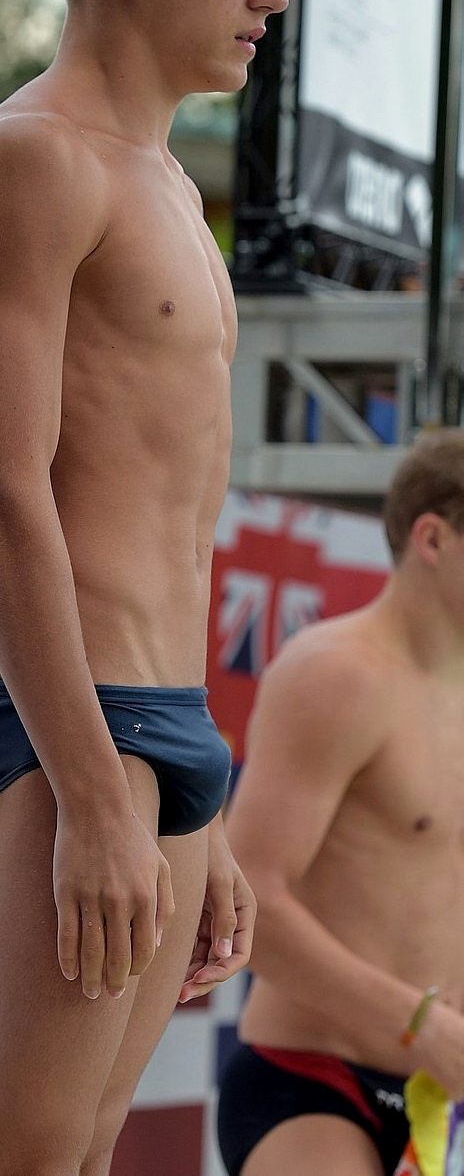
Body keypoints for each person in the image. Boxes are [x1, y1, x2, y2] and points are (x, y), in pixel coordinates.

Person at [0, 0, 303, 1176]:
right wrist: (94, 793)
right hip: (72, 730)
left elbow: (167, 516)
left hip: (167, 729)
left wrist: (206, 814)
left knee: (82, 1159)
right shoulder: (33, 156)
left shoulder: (169, 192)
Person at [218, 428, 464, 1176]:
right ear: (433, 538)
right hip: (314, 1079)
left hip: (437, 1097)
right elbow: (244, 900)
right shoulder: (337, 674)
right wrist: (417, 1022)